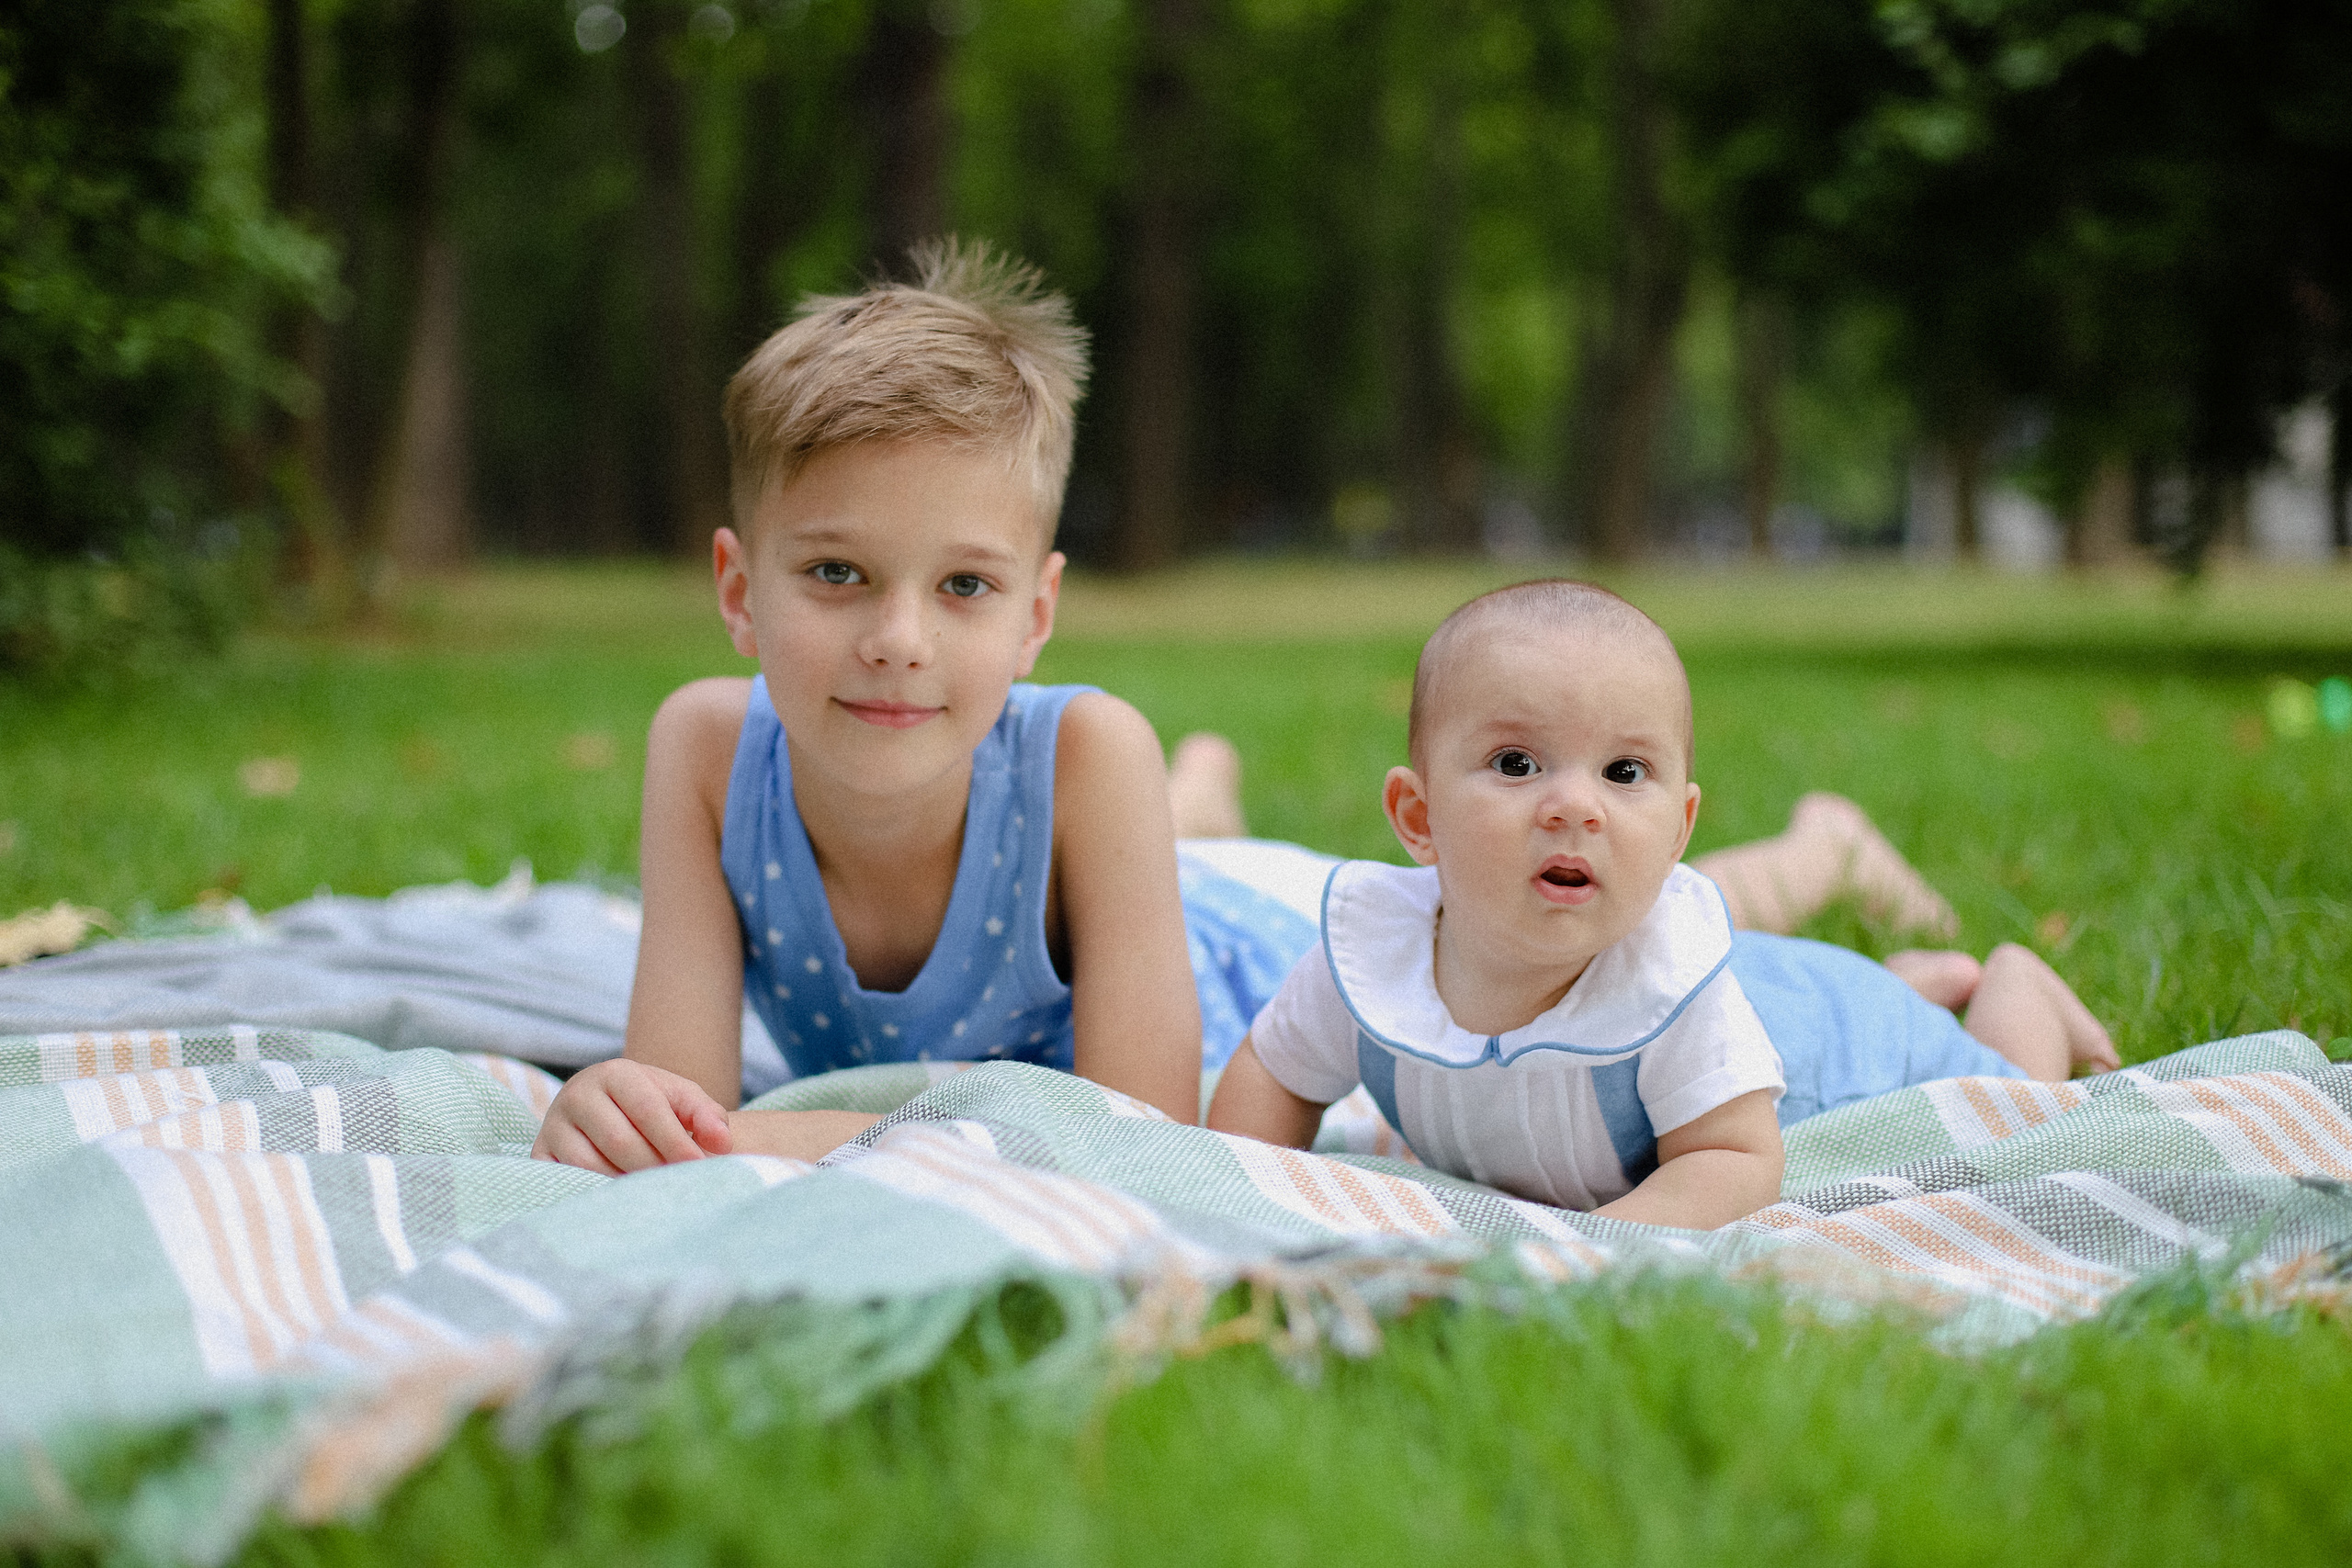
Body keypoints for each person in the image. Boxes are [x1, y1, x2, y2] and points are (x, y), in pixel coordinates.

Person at [535, 241, 1216, 1172]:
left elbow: (1140, 1142)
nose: (899, 639)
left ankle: (1201, 795)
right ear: (738, 592)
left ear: (1036, 617)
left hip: (1215, 940)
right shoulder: (706, 752)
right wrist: (615, 1111)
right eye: (836, 572)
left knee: (1194, 857)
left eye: (965, 585)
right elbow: (677, 1116)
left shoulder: (1091, 757)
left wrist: (773, 1137)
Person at [1204, 580, 2117, 1230]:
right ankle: (1911, 978)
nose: (1575, 804)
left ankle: (2013, 983)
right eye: (1516, 764)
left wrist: (1599, 1249)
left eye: (1623, 772)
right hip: (1781, 989)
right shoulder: (1374, 959)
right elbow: (1273, 1078)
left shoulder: (1676, 993)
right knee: (1814, 988)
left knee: (2018, 1107)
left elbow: (1733, 1161)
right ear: (1417, 815)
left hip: (1834, 1053)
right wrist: (1231, 1198)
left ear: (1680, 831)